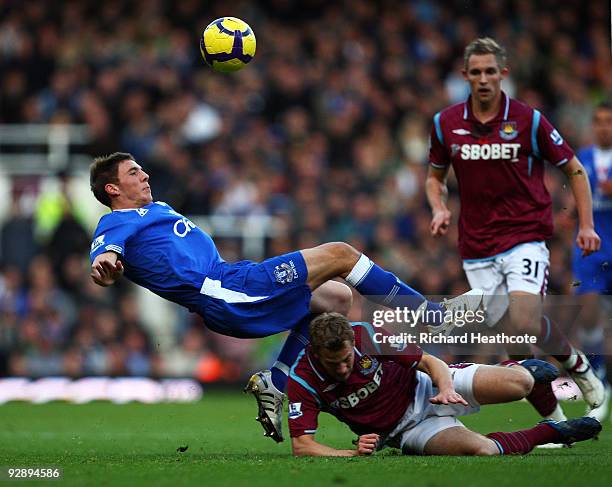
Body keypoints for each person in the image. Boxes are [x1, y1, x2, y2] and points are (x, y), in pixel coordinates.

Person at [88, 152, 484, 442]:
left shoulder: (154, 209)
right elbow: (105, 256)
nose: (144, 175)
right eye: (133, 172)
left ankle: (276, 383)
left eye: (140, 168)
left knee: (336, 299)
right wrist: (105, 266)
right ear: (113, 188)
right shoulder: (115, 222)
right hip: (227, 291)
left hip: (234, 280)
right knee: (342, 254)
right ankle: (431, 314)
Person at [425, 37, 604, 421]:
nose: (484, 79)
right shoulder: (446, 124)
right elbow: (433, 176)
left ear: (503, 74)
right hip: (476, 245)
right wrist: (439, 206)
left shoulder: (528, 119)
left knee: (521, 322)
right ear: (465, 77)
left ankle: (577, 366)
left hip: (524, 235)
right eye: (476, 72)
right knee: (514, 338)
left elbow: (573, 168)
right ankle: (554, 420)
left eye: (491, 71)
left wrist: (586, 225)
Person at [287, 312, 601, 457]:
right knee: (484, 451)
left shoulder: (365, 335)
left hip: (427, 386)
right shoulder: (302, 378)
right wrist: (350, 454)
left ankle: (520, 371)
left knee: (520, 383)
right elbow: (303, 446)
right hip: (406, 432)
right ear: (315, 352)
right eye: (334, 364)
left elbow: (429, 362)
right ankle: (553, 432)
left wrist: (446, 388)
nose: (343, 368)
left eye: (347, 359)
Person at [573, 101, 612, 421]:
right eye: (598, 121)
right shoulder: (582, 158)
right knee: (588, 312)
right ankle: (597, 375)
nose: (603, 127)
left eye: (608, 121)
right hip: (591, 246)